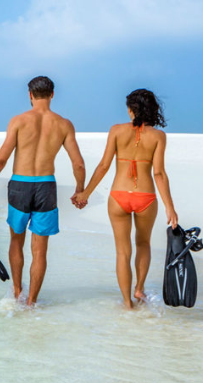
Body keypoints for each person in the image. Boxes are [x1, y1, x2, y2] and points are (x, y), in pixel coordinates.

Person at [0, 75, 86, 306]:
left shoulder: (19, 121)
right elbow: (78, 164)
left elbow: (1, 158)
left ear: (30, 95)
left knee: (16, 241)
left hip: (20, 186)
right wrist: (80, 190)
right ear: (52, 95)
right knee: (40, 251)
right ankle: (32, 302)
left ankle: (17, 290)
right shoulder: (64, 124)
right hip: (45, 186)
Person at [76, 89, 177, 309]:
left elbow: (103, 166)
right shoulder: (158, 136)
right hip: (146, 197)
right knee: (143, 243)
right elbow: (159, 173)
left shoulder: (116, 131)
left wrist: (85, 194)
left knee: (123, 251)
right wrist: (170, 208)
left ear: (131, 109)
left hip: (119, 197)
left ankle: (126, 303)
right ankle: (139, 289)